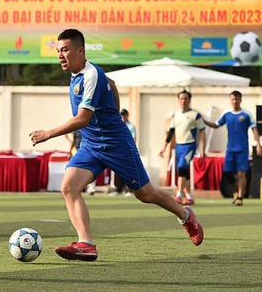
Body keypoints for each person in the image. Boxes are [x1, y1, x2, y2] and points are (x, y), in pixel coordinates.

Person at [29, 29, 203, 262]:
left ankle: (185, 215)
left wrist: (48, 133)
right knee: (68, 187)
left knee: (145, 193)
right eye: (58, 51)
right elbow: (111, 83)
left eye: (65, 50)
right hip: (91, 146)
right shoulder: (79, 74)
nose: (60, 55)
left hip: (116, 144)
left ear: (80, 51)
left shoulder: (91, 75)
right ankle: (86, 243)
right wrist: (115, 110)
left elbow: (83, 119)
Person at [203, 90, 262, 206]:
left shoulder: (246, 114)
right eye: (233, 99)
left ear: (240, 100)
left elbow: (254, 129)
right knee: (227, 173)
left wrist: (258, 144)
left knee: (241, 174)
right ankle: (238, 188)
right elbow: (216, 125)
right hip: (230, 149)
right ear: (230, 100)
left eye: (237, 99)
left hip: (242, 149)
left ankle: (240, 197)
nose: (235, 101)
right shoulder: (227, 114)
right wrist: (204, 121)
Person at [159, 90, 206, 205]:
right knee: (183, 172)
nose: (183, 101)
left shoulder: (196, 115)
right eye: (181, 98)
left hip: (190, 145)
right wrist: (164, 147)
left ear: (189, 100)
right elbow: (171, 131)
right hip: (178, 146)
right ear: (178, 100)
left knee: (181, 168)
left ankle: (179, 194)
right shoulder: (176, 115)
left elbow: (202, 131)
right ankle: (189, 196)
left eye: (185, 98)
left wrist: (202, 149)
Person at [110, 109, 136, 197]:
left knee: (128, 170)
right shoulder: (119, 124)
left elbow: (133, 139)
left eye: (124, 115)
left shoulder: (131, 126)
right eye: (122, 115)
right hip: (119, 150)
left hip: (127, 150)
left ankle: (130, 190)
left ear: (127, 115)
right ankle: (119, 189)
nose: (123, 116)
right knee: (120, 170)